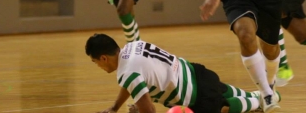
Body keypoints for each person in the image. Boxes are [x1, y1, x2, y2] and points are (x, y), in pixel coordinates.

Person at [85, 33, 281, 113]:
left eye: (95, 63)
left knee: (225, 108)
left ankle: (262, 100)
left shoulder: (127, 72)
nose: (98, 67)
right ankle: (268, 93)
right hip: (197, 72)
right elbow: (133, 83)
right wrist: (114, 107)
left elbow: (149, 110)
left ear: (103, 58)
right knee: (224, 90)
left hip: (197, 98)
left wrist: (139, 109)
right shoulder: (132, 46)